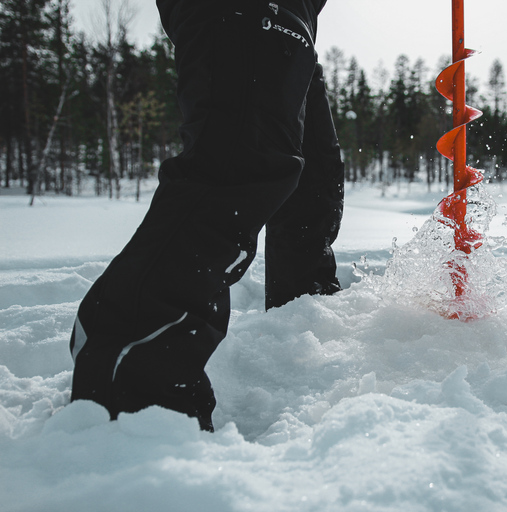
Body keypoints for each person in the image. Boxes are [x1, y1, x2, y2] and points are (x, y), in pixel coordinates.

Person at [68, 0, 343, 432]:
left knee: (312, 184)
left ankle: (298, 328)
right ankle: (132, 391)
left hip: (297, 12)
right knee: (237, 166)